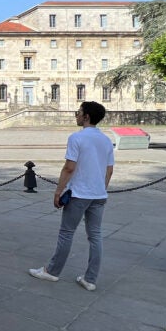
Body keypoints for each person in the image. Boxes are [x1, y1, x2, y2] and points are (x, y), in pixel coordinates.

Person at [29, 101, 114, 291]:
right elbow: (109, 170)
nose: (76, 115)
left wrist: (59, 190)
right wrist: (101, 188)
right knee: (96, 236)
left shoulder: (77, 138)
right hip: (99, 194)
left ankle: (52, 271)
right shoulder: (106, 140)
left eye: (79, 112)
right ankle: (90, 279)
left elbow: (69, 167)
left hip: (79, 193)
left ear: (87, 117)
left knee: (66, 233)